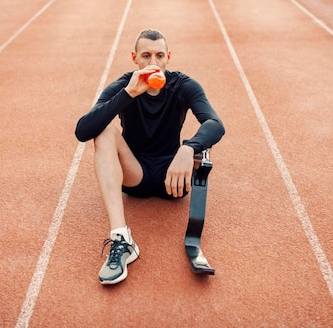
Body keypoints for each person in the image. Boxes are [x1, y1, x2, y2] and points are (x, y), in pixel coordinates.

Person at [74, 29, 225, 285]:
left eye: (159, 55)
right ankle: (122, 238)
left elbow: (215, 123)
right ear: (134, 58)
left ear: (168, 57)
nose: (152, 63)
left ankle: (186, 154)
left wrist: (188, 148)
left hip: (172, 179)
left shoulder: (183, 85)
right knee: (104, 132)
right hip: (135, 175)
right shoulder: (125, 85)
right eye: (145, 55)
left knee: (198, 146)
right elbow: (82, 131)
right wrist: (129, 94)